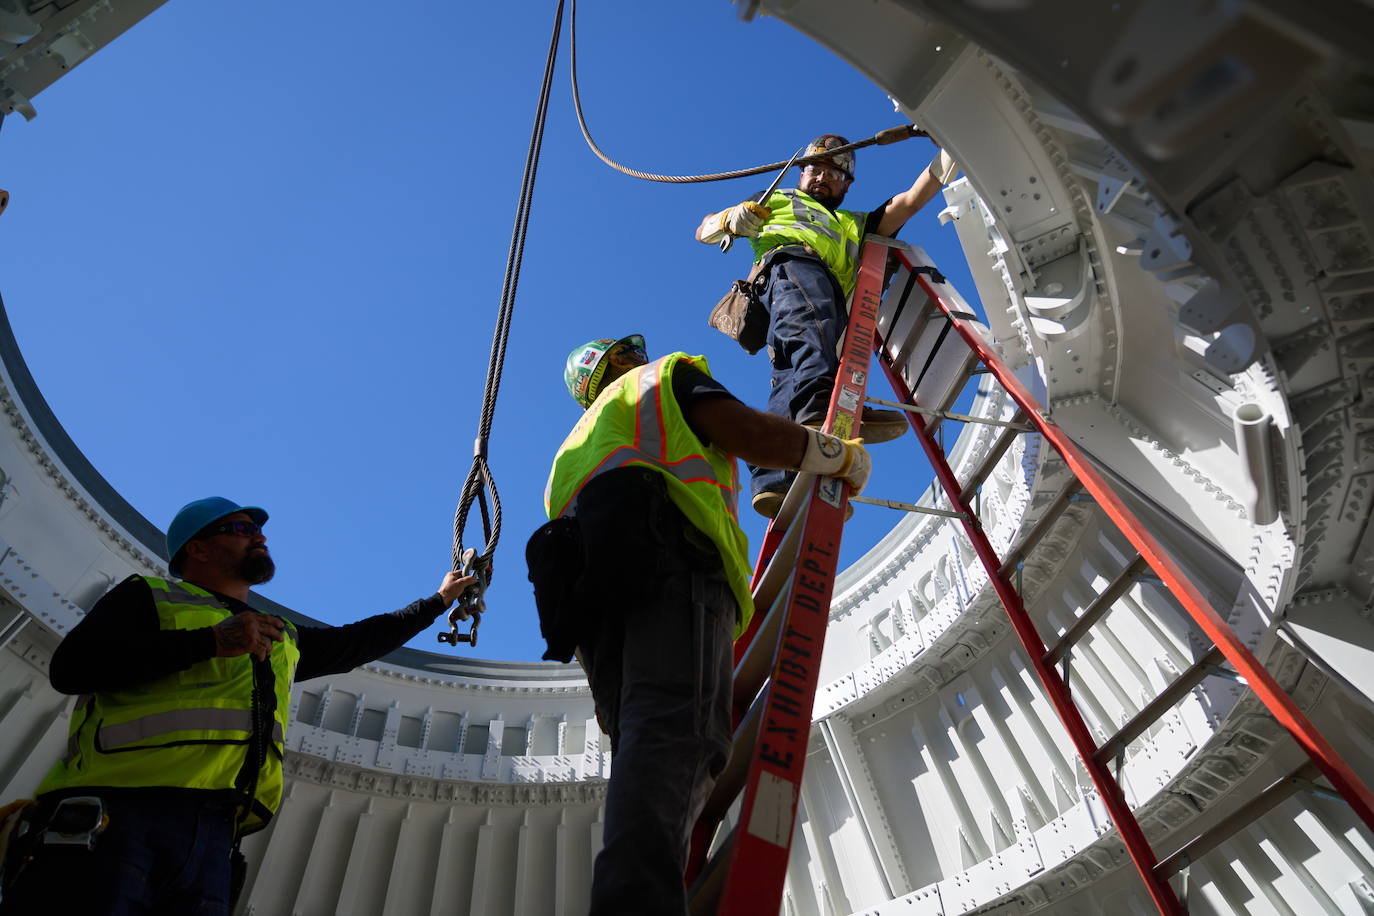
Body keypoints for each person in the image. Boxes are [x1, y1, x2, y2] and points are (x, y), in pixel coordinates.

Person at [0, 496, 476, 915]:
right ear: (198, 548)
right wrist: (210, 642)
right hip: (120, 818)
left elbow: (356, 642)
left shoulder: (278, 634)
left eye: (259, 530)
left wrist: (438, 601)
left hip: (215, 838)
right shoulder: (148, 596)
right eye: (242, 529)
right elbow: (74, 668)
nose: (260, 537)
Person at [533, 334, 871, 916]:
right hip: (676, 566)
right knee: (679, 735)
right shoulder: (661, 378)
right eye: (628, 351)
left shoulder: (573, 450)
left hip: (597, 609)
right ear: (618, 363)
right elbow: (751, 435)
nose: (639, 354)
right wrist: (836, 457)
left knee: (645, 751)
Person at [696, 132, 957, 517]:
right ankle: (820, 416)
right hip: (790, 267)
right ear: (800, 174)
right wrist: (730, 220)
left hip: (815, 295)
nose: (820, 177)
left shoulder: (855, 224)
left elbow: (910, 199)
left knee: (789, 373)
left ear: (847, 184)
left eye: (832, 173)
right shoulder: (777, 200)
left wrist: (952, 146)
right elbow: (704, 230)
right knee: (812, 329)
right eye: (814, 169)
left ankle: (774, 480)